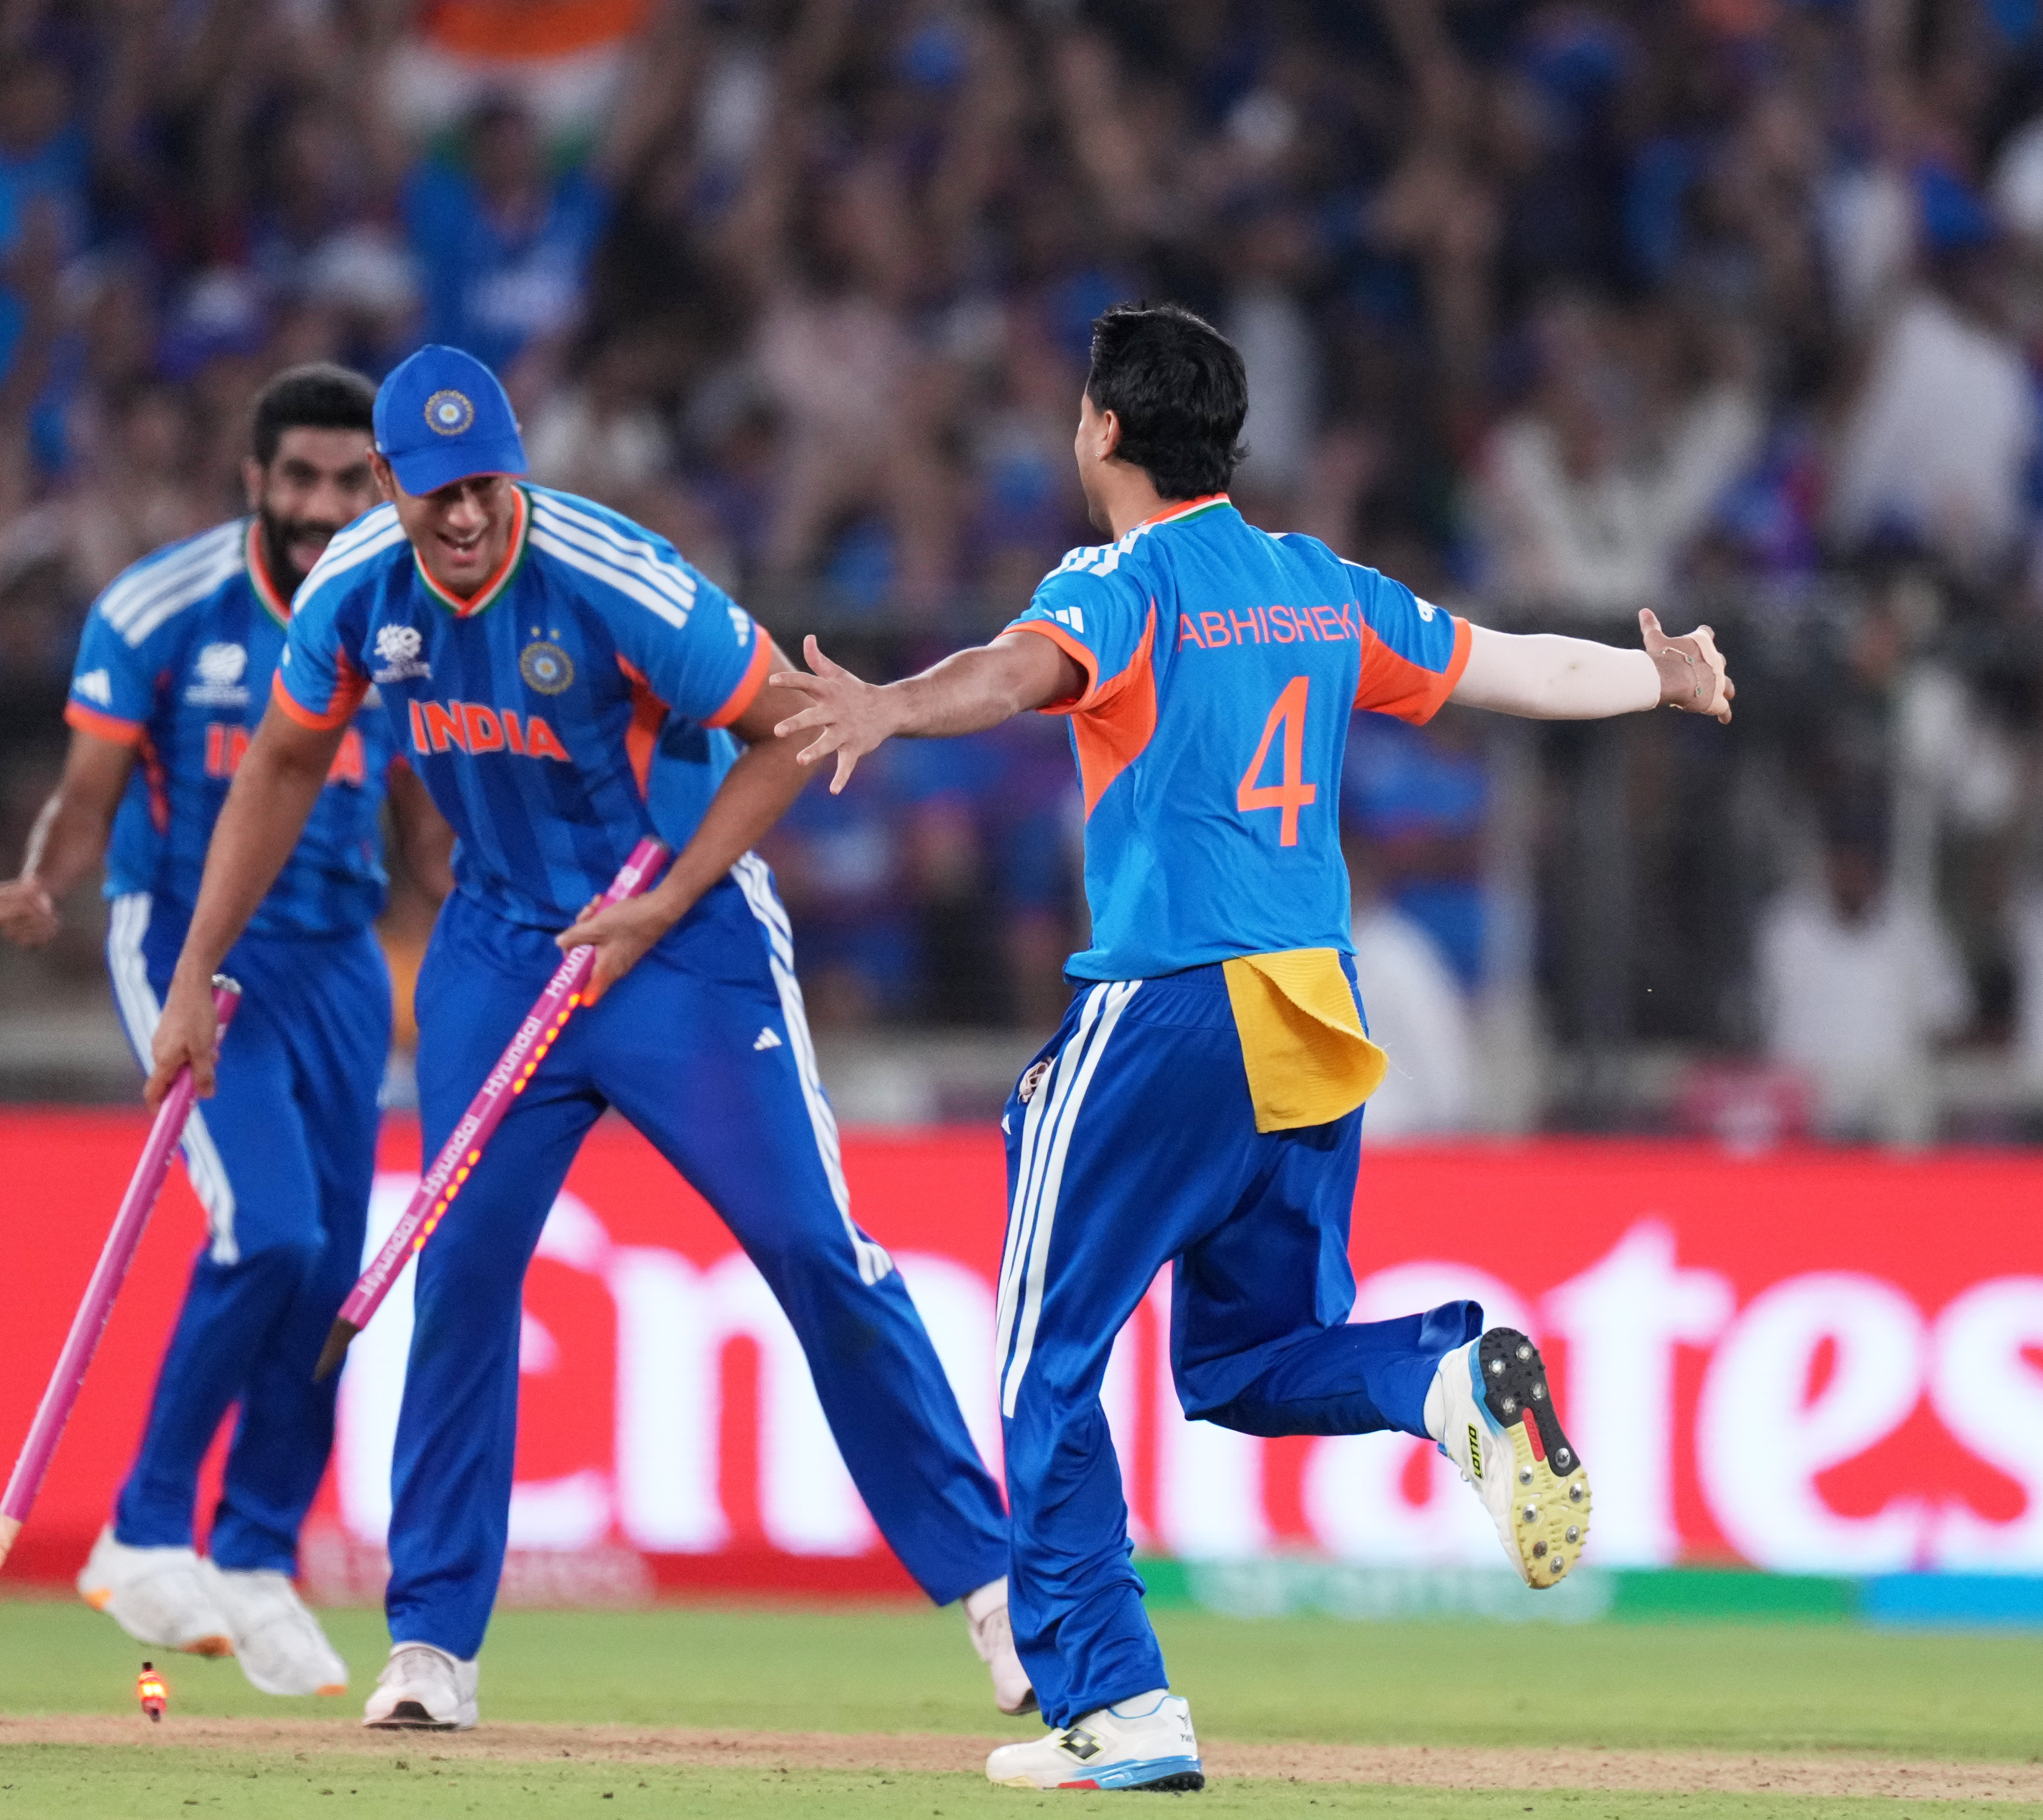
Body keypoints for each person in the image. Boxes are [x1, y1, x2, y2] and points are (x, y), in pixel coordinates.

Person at [769, 303, 1735, 1792]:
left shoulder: (1120, 576)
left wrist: (891, 705)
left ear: (1101, 429)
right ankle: (1441, 1381)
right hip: (1309, 1008)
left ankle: (1116, 1703)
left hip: (1165, 1002)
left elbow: (1021, 670)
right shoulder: (1315, 585)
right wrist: (1653, 677)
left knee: (1045, 1363)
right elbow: (1508, 668)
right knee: (1241, 1358)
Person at [144, 343, 1026, 1731]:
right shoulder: (353, 591)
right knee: (465, 1276)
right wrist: (195, 968)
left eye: (488, 484)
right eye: (434, 492)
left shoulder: (617, 580)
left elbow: (789, 729)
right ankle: (431, 1645)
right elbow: (281, 763)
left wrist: (669, 894)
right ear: (388, 483)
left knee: (813, 1248)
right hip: (500, 951)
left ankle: (993, 1587)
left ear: (518, 468)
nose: (466, 516)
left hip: (684, 942)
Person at [0, 364, 446, 1696]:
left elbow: (423, 806)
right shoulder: (160, 604)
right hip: (191, 943)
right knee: (269, 1228)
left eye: (348, 481)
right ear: (253, 481)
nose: (320, 506)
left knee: (334, 1277)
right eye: (296, 480)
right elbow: (84, 794)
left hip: (344, 958)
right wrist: (44, 880)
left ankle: (253, 1554)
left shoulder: (408, 609)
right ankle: (140, 1530)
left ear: (383, 486)